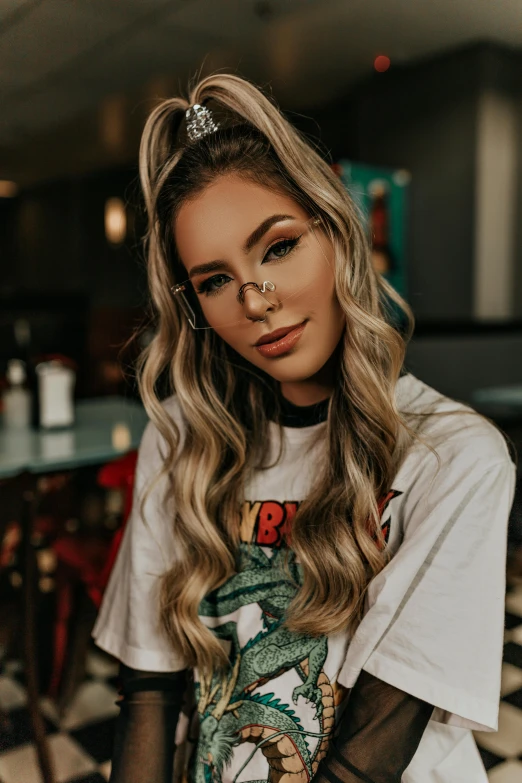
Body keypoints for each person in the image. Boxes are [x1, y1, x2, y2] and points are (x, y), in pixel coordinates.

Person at [91, 72, 517, 783]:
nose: (256, 300)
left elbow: (365, 761)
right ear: (193, 306)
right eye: (215, 280)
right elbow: (148, 695)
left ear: (335, 232)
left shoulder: (452, 457)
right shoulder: (179, 442)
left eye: (278, 246)